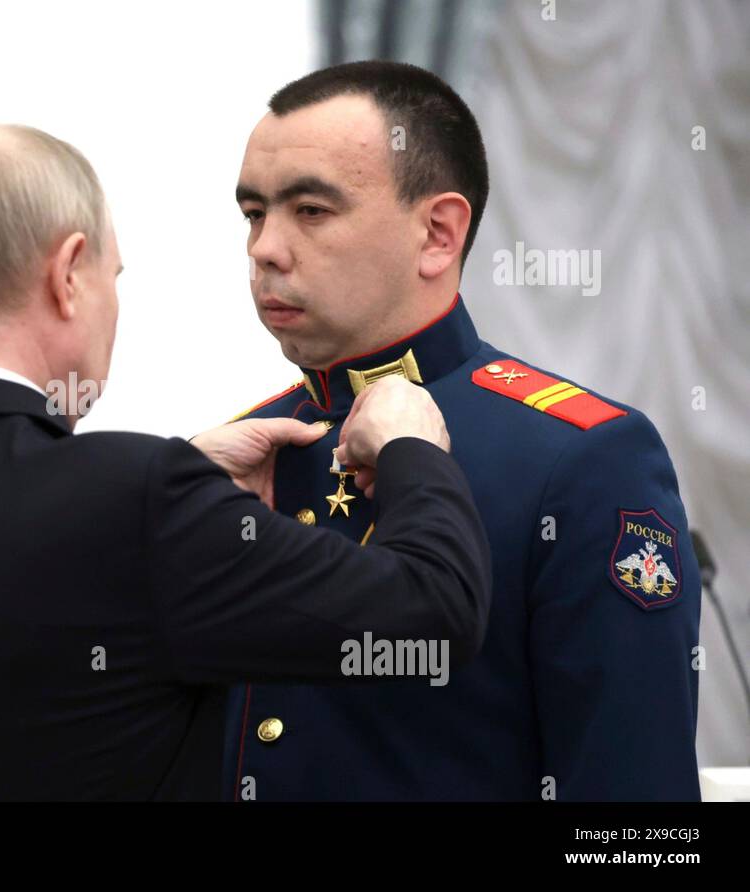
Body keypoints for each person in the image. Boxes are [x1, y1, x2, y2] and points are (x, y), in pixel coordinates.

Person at [0, 123, 490, 801]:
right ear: (67, 274)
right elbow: (430, 624)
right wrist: (409, 445)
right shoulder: (137, 500)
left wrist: (183, 492)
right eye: (114, 276)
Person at [227, 61, 700, 801]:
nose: (264, 248)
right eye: (254, 213)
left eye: (310, 211)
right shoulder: (240, 449)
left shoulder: (578, 457)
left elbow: (633, 817)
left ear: (439, 234)